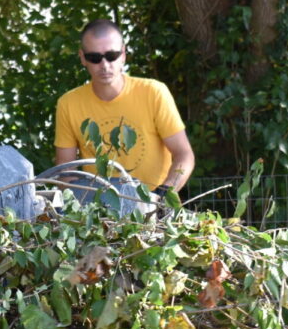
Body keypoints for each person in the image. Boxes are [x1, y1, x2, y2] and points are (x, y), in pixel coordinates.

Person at [54, 19, 195, 196]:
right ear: (83, 58)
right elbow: (65, 174)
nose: (105, 65)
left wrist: (163, 194)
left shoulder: (153, 93)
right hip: (98, 213)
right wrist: (80, 208)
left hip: (157, 211)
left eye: (111, 56)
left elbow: (184, 155)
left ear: (123, 54)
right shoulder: (68, 104)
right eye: (95, 58)